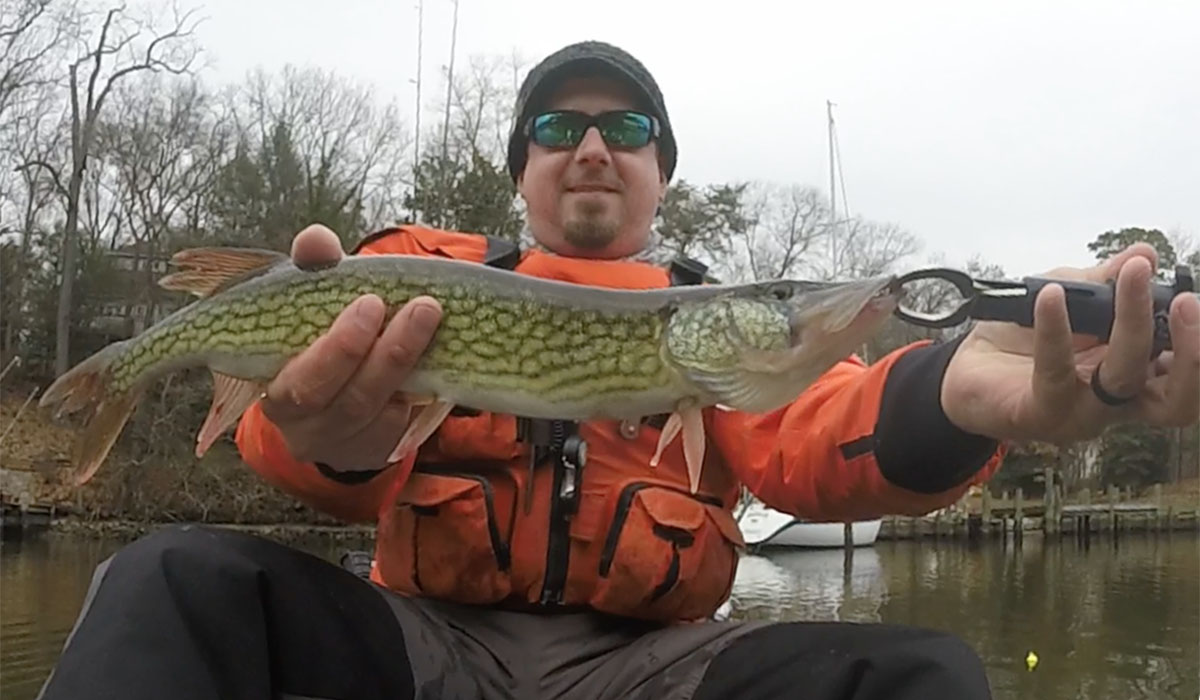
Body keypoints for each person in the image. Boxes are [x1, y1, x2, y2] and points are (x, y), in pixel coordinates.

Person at [38, 41, 1198, 700]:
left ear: (660, 172)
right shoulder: (410, 273)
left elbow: (819, 424)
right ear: (523, 170)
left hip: (657, 669)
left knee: (916, 675)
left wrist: (956, 385)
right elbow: (282, 437)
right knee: (170, 581)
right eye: (556, 126)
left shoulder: (706, 333)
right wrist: (332, 442)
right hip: (425, 648)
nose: (592, 144)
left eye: (627, 127)